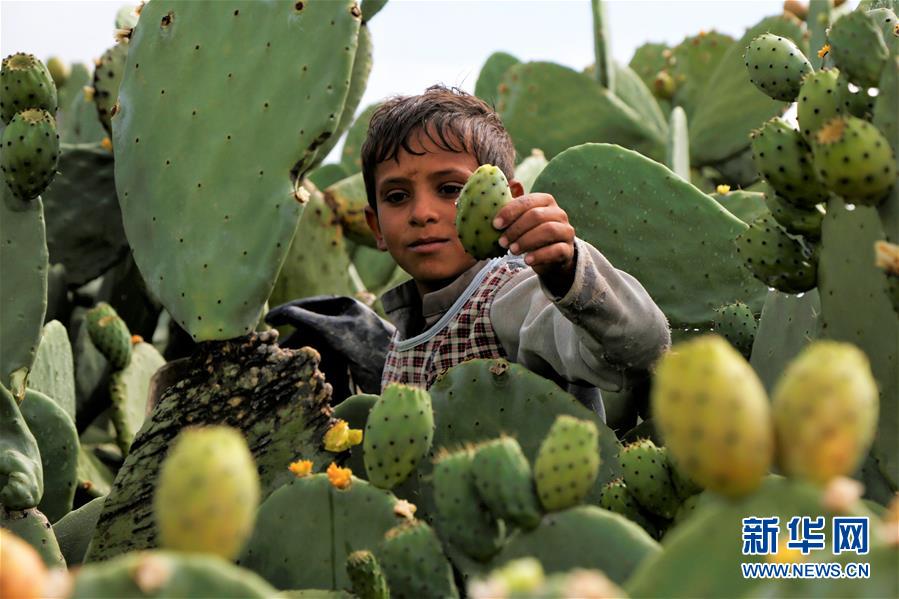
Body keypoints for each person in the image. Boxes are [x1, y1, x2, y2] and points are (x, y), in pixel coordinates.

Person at [360, 85, 670, 421]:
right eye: (396, 196)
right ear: (376, 227)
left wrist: (568, 272)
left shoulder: (513, 298)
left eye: (450, 189)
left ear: (508, 201)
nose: (422, 213)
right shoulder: (400, 337)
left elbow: (641, 349)